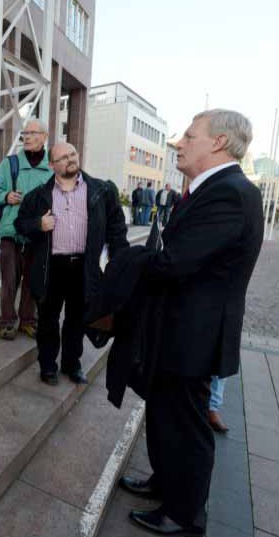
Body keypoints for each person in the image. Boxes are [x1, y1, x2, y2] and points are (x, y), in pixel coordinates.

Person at [119, 110, 263, 536]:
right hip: (178, 328)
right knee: (165, 416)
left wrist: (127, 261)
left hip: (194, 334)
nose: (179, 143)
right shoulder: (211, 190)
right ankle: (165, 483)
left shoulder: (230, 194)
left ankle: (185, 515)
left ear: (218, 142)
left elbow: (175, 261)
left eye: (188, 135)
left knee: (187, 425)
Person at [15, 142, 128, 385]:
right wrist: (38, 225)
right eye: (63, 157)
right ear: (52, 165)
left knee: (76, 320)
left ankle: (71, 365)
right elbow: (20, 225)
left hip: (84, 267)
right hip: (50, 268)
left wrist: (119, 264)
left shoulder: (101, 191)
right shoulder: (38, 196)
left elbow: (117, 230)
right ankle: (47, 366)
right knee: (48, 321)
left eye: (73, 154)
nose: (70, 159)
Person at [0, 119, 52, 340]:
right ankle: (7, 321)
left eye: (33, 133)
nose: (27, 137)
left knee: (32, 281)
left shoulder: (52, 166)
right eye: (25, 133)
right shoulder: (10, 164)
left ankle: (28, 320)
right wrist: (5, 196)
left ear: (44, 137)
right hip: (11, 233)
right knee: (9, 280)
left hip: (37, 234)